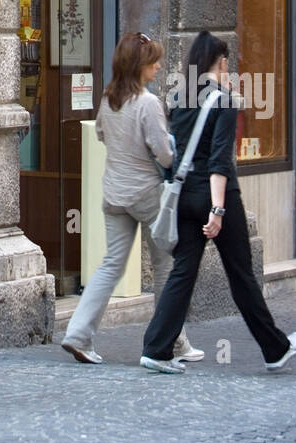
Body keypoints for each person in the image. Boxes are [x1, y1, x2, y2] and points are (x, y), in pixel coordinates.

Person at [140, 31, 296, 374]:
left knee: (182, 273)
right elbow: (219, 161)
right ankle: (275, 348)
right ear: (223, 62)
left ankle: (156, 349)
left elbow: (173, 152)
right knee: (241, 274)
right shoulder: (226, 100)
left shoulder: (179, 97)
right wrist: (217, 210)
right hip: (216, 197)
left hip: (182, 195)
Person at [61, 32, 202, 366]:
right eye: (153, 61)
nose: (157, 67)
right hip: (148, 195)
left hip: (114, 193)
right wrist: (170, 145)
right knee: (167, 266)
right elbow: (165, 157)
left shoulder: (109, 100)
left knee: (111, 265)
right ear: (140, 66)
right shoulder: (148, 103)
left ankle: (78, 335)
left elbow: (99, 133)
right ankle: (173, 343)